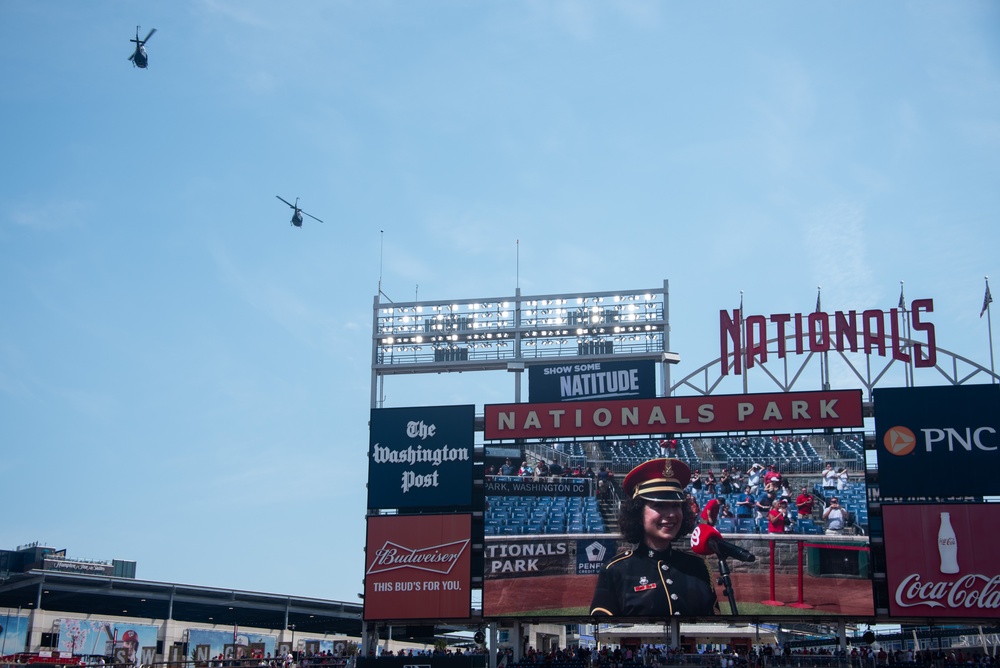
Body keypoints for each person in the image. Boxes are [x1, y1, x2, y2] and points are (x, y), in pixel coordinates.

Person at [590, 457, 719, 617]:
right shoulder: (615, 571)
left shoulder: (698, 567)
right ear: (638, 513)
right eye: (659, 505)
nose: (671, 514)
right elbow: (604, 634)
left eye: (675, 505)